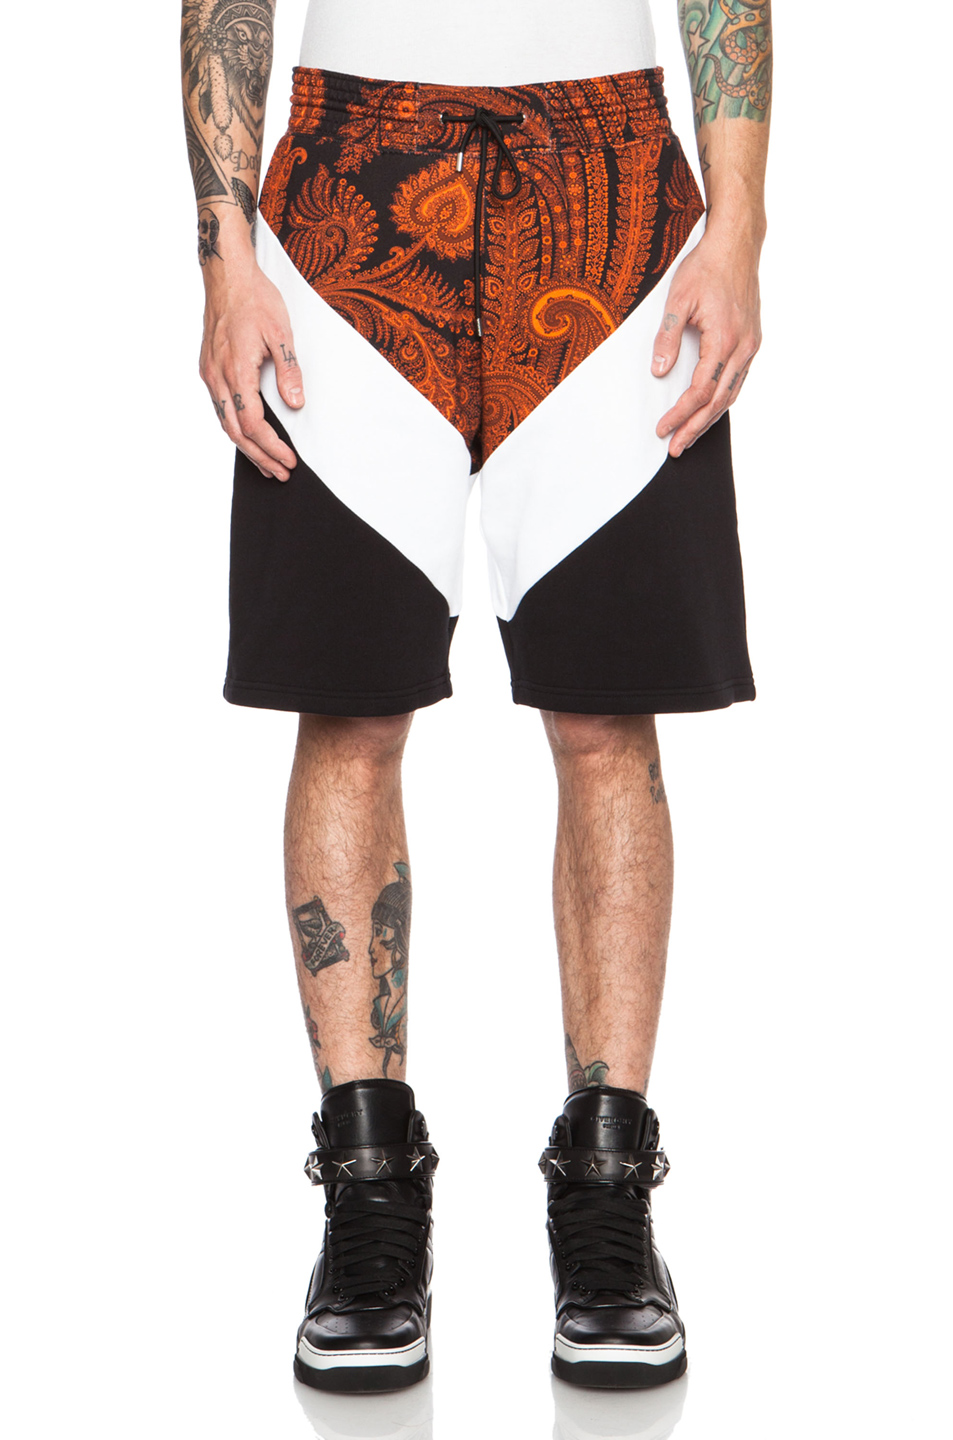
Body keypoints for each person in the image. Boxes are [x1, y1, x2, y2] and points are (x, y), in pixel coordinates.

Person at [180, 0, 770, 1394]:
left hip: (611, 188)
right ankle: (368, 1203)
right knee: (349, 706)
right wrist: (224, 257)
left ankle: (608, 1205)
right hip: (350, 188)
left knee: (607, 711)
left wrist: (739, 227)